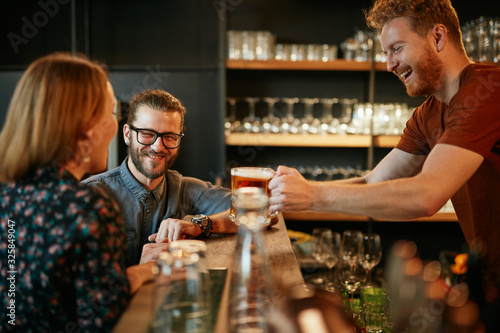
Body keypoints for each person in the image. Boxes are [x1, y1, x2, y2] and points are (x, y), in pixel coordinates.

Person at [269, 0, 500, 309]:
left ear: (438, 37)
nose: (390, 64)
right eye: (386, 53)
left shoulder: (488, 87)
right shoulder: (428, 114)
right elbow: (372, 182)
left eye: (397, 48)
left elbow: (426, 196)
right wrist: (290, 195)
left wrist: (312, 196)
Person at [0, 53, 154, 332]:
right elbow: (102, 319)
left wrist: (138, 272)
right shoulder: (87, 207)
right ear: (86, 131)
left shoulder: (8, 196)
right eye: (111, 111)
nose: (116, 124)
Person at [83, 89, 239, 266]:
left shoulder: (190, 190)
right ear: (127, 134)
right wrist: (140, 271)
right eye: (147, 134)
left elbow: (263, 212)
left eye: (170, 137)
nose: (158, 147)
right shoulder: (89, 195)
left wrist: (202, 225)